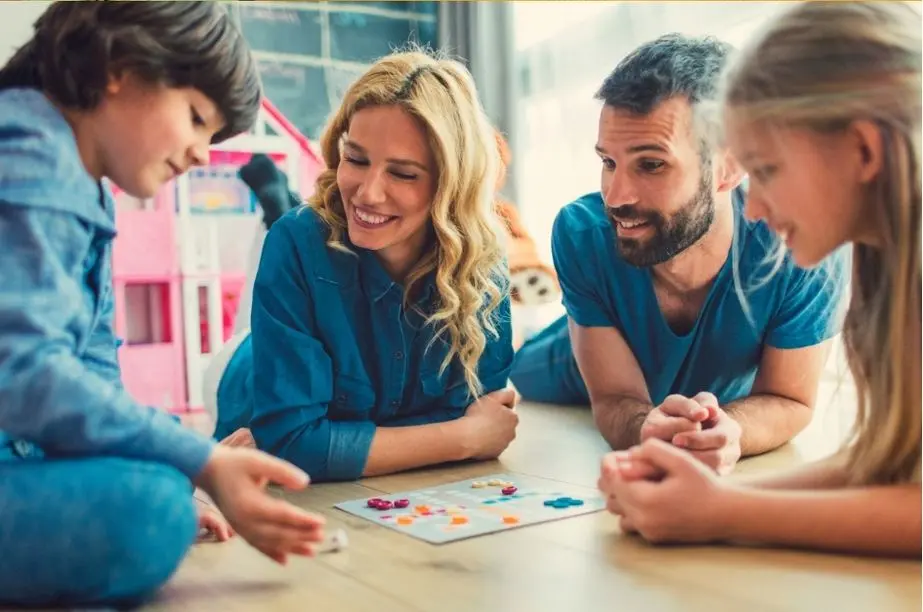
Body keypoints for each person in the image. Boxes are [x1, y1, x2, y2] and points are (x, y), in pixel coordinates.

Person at [0, 2, 326, 607]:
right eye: (197, 117)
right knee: (150, 513)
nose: (203, 153)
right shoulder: (31, 154)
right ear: (118, 67)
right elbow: (22, 373)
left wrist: (185, 461)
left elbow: (94, 373)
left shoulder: (83, 186)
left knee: (162, 485)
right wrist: (195, 457)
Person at [599, 1, 921, 558]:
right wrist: (703, 497)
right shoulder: (886, 267)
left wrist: (723, 511)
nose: (752, 209)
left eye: (767, 171)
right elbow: (889, 462)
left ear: (864, 150)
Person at [509, 33, 848, 475]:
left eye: (651, 164)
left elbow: (790, 399)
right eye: (608, 162)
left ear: (728, 166)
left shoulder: (801, 247)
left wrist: (732, 431)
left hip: (716, 399)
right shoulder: (584, 233)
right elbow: (614, 398)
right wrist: (645, 428)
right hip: (571, 366)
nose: (616, 197)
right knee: (519, 366)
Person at [208, 49, 519, 482]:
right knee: (280, 235)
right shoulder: (296, 241)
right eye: (356, 160)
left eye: (403, 174)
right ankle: (274, 204)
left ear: (451, 184)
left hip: (311, 346)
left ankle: (275, 198)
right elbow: (292, 446)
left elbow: (485, 416)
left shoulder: (483, 263)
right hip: (238, 371)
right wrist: (461, 437)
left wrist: (326, 441)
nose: (368, 193)